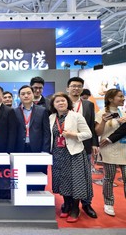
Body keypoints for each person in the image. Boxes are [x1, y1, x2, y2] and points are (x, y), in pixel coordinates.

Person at [49, 92, 93, 223]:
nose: (61, 103)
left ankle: (75, 208)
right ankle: (66, 204)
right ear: (53, 105)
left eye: (63, 101)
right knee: (62, 180)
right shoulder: (51, 117)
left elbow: (88, 134)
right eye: (57, 101)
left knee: (76, 181)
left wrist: (73, 135)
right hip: (57, 154)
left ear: (68, 102)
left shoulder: (76, 116)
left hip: (74, 154)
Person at [66, 76, 98, 218]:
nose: (76, 88)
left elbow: (91, 126)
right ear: (68, 88)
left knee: (85, 176)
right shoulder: (61, 103)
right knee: (67, 176)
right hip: (65, 146)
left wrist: (94, 143)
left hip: (84, 145)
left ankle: (86, 204)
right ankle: (68, 203)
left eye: (79, 86)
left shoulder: (88, 105)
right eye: (73, 86)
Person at [95, 89, 126, 217]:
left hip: (123, 149)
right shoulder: (101, 112)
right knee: (109, 178)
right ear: (111, 99)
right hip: (108, 149)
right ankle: (108, 203)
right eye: (120, 96)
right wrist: (103, 121)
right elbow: (97, 132)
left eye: (123, 96)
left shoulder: (122, 112)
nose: (123, 98)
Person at [14, 85, 50, 191]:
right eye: (23, 94)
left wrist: (45, 150)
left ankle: (38, 197)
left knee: (38, 175)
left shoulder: (42, 111)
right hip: (20, 148)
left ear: (33, 94)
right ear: (19, 96)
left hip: (37, 149)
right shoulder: (14, 111)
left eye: (28, 93)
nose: (26, 96)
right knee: (22, 175)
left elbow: (46, 132)